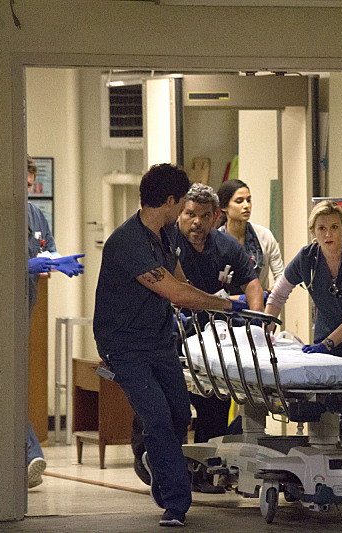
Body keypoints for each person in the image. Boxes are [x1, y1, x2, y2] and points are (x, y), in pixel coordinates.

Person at [93, 163, 247, 528]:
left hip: (160, 340)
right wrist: (226, 303)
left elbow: (179, 280)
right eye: (182, 206)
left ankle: (154, 461)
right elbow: (175, 291)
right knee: (159, 419)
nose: (184, 214)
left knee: (180, 414)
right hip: (125, 346)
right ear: (170, 200)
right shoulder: (127, 242)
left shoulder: (164, 235)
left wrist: (207, 296)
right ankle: (176, 505)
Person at [129, 183, 265, 494]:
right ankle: (150, 462)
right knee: (161, 406)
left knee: (214, 407)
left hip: (213, 344)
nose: (197, 223)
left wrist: (256, 326)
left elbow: (253, 286)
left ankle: (205, 472)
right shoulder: (164, 244)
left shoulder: (228, 247)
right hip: (166, 337)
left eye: (204, 216)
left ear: (216, 216)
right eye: (190, 214)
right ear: (179, 213)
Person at [264, 200, 342, 449]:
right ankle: (326, 451)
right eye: (321, 228)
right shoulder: (307, 258)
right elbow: (277, 297)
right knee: (328, 396)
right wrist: (265, 336)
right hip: (330, 328)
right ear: (313, 232)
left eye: (335, 227)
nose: (328, 234)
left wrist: (327, 344)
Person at [25, 155, 85, 489]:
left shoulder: (36, 215)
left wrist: (57, 262)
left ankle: (27, 454)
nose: (28, 186)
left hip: (27, 308)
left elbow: (47, 249)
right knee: (10, 385)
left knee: (14, 384)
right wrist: (25, 265)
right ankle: (30, 452)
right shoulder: (3, 214)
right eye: (24, 178)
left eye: (31, 180)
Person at [216, 179, 284, 292]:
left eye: (249, 200)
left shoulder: (264, 236)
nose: (246, 206)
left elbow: (281, 276)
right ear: (224, 207)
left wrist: (267, 294)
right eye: (239, 201)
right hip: (225, 306)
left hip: (259, 306)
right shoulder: (215, 240)